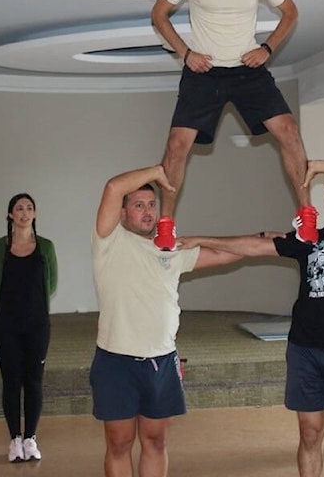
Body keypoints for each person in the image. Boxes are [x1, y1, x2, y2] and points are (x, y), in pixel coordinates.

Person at [178, 159, 324, 477]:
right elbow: (254, 247)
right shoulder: (308, 238)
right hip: (305, 348)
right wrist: (201, 240)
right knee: (310, 433)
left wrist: (314, 166)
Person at [151, 0, 316, 250]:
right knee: (177, 146)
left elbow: (290, 12)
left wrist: (268, 49)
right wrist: (186, 54)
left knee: (289, 131)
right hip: (203, 71)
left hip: (247, 69)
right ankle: (165, 227)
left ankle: (307, 216)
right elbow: (159, 15)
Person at [90, 164, 247, 477]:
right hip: (116, 361)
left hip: (161, 362)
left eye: (151, 205)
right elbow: (112, 187)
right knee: (119, 444)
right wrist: (160, 172)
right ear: (122, 214)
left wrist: (269, 241)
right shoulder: (109, 241)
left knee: (156, 440)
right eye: (138, 205)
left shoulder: (171, 249)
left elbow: (224, 255)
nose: (148, 212)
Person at [0, 193, 58, 463]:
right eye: (18, 208)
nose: (24, 212)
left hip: (36, 325)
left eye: (29, 208)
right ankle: (15, 440)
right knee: (12, 382)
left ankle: (30, 438)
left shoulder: (46, 247)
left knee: (33, 381)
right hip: (6, 326)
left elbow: (51, 283)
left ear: (35, 214)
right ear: (10, 215)